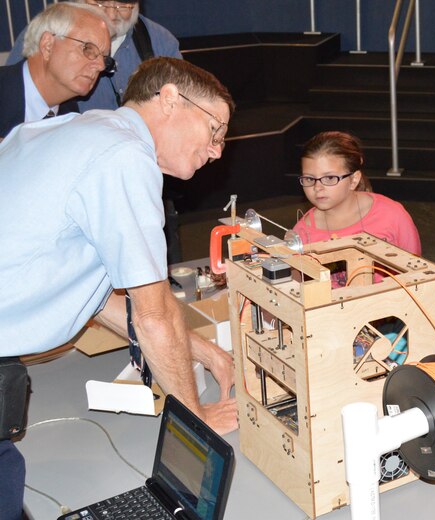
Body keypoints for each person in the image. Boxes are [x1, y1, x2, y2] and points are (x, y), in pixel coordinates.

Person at [0, 57, 236, 519]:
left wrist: (200, 350)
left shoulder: (58, 132)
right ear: (169, 99)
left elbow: (96, 298)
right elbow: (153, 314)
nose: (217, 151)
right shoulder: (125, 156)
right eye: (215, 130)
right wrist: (195, 421)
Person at [6, 0, 181, 111]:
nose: (111, 14)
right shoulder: (49, 31)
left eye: (123, 5)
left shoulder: (161, 42)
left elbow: (178, 108)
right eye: (99, 1)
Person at [293, 131, 422, 256]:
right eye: (309, 179)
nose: (317, 187)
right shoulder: (302, 234)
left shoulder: (392, 215)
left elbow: (419, 270)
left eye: (330, 178)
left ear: (354, 179)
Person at [0, 3, 112, 138]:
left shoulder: (72, 118)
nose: (101, 66)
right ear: (48, 45)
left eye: (105, 58)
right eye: (88, 49)